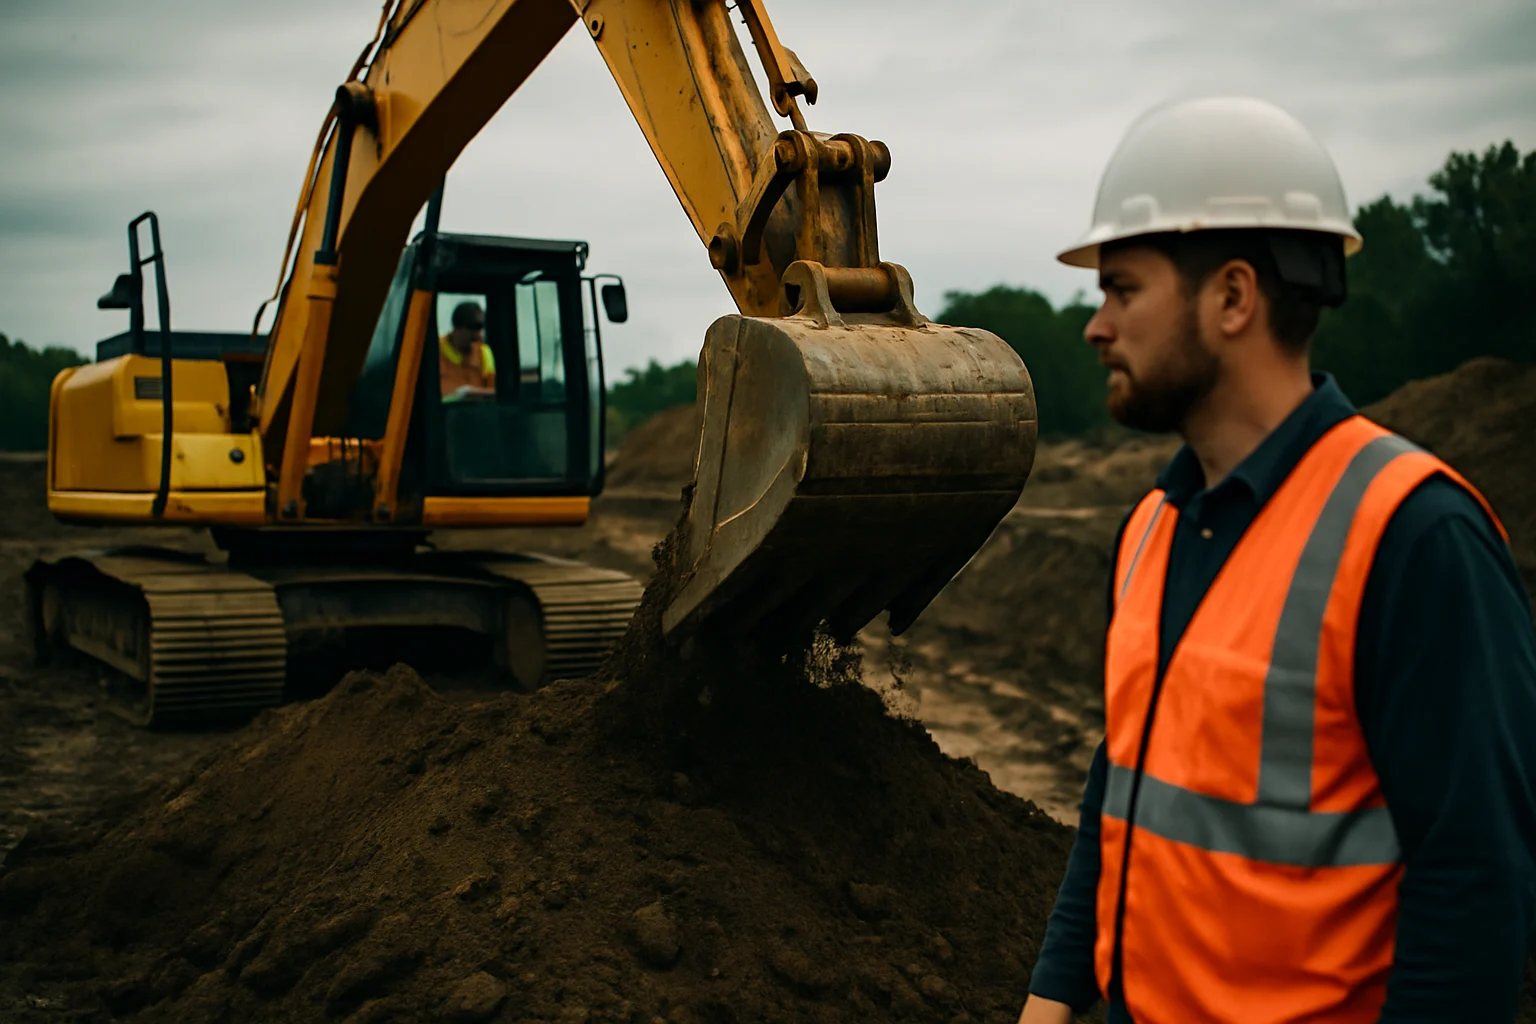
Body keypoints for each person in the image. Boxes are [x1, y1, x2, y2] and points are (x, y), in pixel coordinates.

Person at [1017, 96, 1536, 1024]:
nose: (1097, 326)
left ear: (1232, 298)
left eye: (1123, 289)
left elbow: (1473, 892)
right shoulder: (1150, 529)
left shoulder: (1416, 539)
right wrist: (1051, 1002)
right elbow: (1120, 793)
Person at [439, 300, 496, 401]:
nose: (479, 335)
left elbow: (495, 392)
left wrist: (471, 393)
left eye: (481, 328)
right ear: (457, 328)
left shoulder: (483, 352)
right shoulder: (435, 350)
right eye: (473, 328)